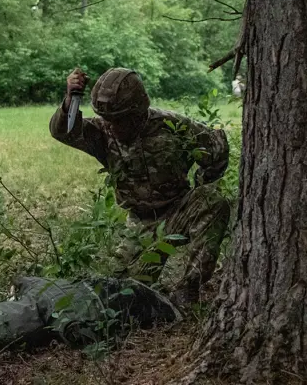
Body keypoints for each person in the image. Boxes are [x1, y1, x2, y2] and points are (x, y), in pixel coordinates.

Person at [49, 68, 230, 304]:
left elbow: (216, 148)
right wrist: (70, 98)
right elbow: (63, 132)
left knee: (212, 201)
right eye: (108, 120)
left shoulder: (171, 125)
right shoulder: (103, 132)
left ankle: (188, 286)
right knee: (123, 292)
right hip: (139, 226)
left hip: (179, 211)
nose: (113, 126)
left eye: (120, 120)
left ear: (137, 112)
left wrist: (201, 185)